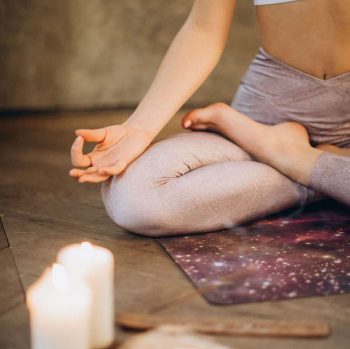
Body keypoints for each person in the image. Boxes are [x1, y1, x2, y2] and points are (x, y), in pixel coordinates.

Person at [69, 0, 350, 236]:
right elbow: (203, 29)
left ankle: (296, 158)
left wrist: (302, 161)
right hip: (264, 118)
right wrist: (139, 127)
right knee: (132, 198)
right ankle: (327, 172)